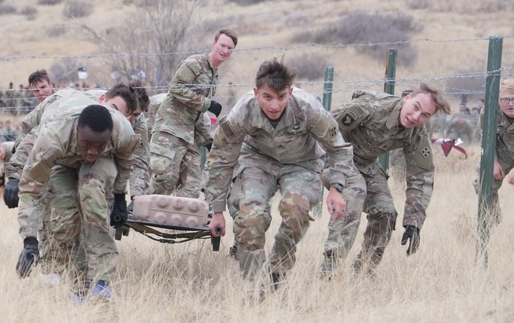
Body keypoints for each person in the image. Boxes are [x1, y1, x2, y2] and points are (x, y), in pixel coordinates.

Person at [204, 58, 352, 290]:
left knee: (296, 210)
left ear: (290, 92)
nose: (275, 105)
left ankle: (277, 270)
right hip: (257, 161)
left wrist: (336, 188)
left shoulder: (308, 108)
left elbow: (339, 149)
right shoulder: (243, 111)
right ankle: (255, 288)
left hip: (301, 163)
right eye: (267, 97)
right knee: (250, 218)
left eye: (281, 97)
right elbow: (221, 158)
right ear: (256, 93)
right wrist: (217, 210)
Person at [321, 84, 451, 274]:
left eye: (425, 115)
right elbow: (325, 127)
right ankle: (331, 267)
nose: (416, 117)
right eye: (415, 107)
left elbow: (421, 175)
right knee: (356, 191)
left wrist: (413, 222)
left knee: (386, 212)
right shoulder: (371, 107)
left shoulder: (417, 132)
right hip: (336, 157)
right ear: (407, 99)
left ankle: (364, 271)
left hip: (366, 164)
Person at [16, 103, 138, 300]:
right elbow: (30, 189)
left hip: (102, 163)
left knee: (95, 207)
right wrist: (30, 241)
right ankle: (79, 285)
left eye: (100, 144)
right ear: (77, 131)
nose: (92, 150)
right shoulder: (52, 139)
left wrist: (119, 196)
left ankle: (101, 282)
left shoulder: (122, 132)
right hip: (62, 162)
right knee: (65, 220)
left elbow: (125, 161)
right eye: (87, 143)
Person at [147, 28, 237, 196]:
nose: (225, 51)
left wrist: (207, 138)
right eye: (222, 45)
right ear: (214, 44)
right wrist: (207, 104)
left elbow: (198, 112)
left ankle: (180, 220)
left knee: (191, 188)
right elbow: (175, 87)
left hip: (190, 136)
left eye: (229, 48)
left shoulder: (213, 74)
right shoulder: (196, 62)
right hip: (170, 129)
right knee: (164, 179)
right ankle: (136, 208)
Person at [482, 78, 514, 223]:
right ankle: (493, 221)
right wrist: (493, 161)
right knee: (484, 179)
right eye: (506, 99)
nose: (511, 104)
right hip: (504, 148)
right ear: (498, 99)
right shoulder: (489, 111)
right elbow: (486, 138)